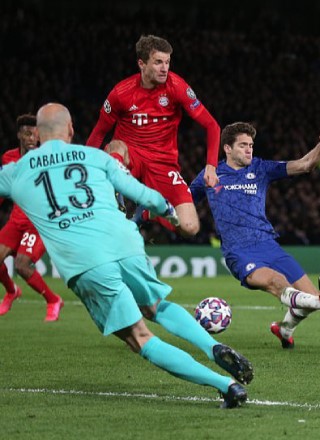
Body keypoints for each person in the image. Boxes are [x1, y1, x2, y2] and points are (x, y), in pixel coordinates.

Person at [0, 103, 253, 408]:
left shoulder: (16, 171)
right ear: (70, 130)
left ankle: (226, 385)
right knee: (156, 305)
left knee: (140, 338)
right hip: (125, 242)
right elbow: (143, 195)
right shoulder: (95, 157)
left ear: (39, 135)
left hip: (86, 262)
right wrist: (169, 213)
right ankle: (212, 346)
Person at [190, 119, 320, 349]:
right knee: (276, 281)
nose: (249, 149)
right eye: (243, 145)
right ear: (227, 148)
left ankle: (285, 329)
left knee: (308, 298)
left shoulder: (260, 169)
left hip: (269, 245)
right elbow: (184, 200)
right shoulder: (211, 174)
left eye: (251, 145)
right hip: (239, 251)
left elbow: (305, 165)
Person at [86, 34, 221, 237]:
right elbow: (99, 133)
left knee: (190, 227)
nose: (164, 68)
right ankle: (119, 195)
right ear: (142, 63)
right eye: (158, 62)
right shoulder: (121, 93)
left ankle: (149, 211)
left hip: (163, 164)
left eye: (167, 62)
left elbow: (212, 125)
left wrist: (211, 165)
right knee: (115, 146)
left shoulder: (177, 87)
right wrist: (85, 168)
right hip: (131, 158)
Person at [0, 114, 63, 321]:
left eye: (35, 134)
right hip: (16, 220)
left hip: (37, 223)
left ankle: (53, 300)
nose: (31, 138)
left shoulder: (46, 158)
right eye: (27, 134)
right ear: (19, 135)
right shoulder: (8, 157)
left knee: (22, 265)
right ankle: (12, 292)